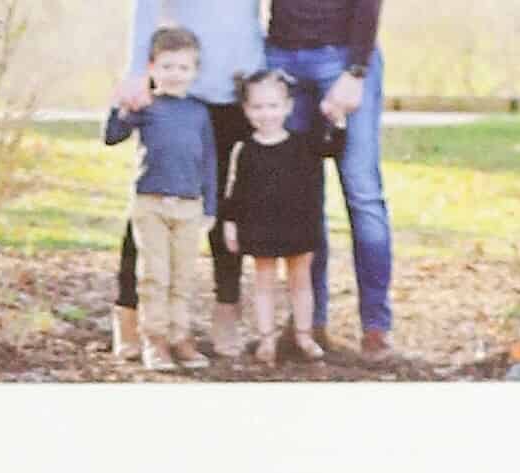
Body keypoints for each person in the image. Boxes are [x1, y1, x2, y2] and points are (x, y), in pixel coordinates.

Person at [110, 0, 264, 365]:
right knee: (151, 198)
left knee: (223, 207)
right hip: (180, 85)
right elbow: (146, 9)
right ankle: (129, 315)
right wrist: (136, 72)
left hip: (235, 91)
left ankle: (226, 310)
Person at [261, 0, 390, 356]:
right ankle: (309, 322)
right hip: (283, 60)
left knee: (362, 193)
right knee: (301, 197)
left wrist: (356, 70)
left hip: (344, 59)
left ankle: (375, 326)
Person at [105, 28, 221, 370]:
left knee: (183, 276)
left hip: (189, 205)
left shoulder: (199, 112)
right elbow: (112, 137)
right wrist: (121, 106)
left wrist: (210, 207)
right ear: (152, 68)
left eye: (184, 67)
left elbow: (210, 163)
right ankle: (154, 340)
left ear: (195, 71)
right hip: (150, 203)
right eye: (167, 66)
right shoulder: (147, 106)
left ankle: (180, 336)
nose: (175, 74)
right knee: (155, 275)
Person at [222, 67, 330, 364]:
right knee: (264, 280)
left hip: (299, 225)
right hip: (260, 226)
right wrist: (230, 224)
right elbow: (235, 190)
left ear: (288, 106)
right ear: (245, 109)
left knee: (300, 280)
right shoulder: (244, 149)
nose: (266, 114)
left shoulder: (303, 144)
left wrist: (339, 121)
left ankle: (304, 335)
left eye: (273, 106)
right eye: (257, 107)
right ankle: (267, 338)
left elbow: (333, 147)